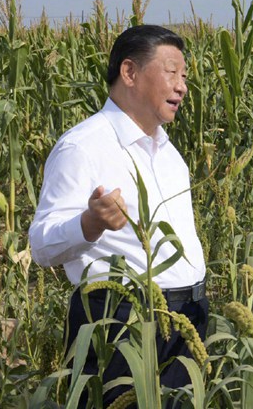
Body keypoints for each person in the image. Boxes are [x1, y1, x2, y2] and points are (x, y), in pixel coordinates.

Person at [29, 25, 207, 405]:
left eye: (185, 77)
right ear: (130, 73)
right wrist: (89, 224)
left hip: (186, 319)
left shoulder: (170, 154)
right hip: (121, 321)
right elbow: (41, 245)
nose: (182, 87)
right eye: (172, 72)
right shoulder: (83, 147)